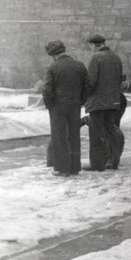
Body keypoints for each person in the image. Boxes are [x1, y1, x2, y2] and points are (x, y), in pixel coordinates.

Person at [42, 40, 90, 177]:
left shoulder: (52, 68)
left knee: (59, 137)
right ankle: (75, 167)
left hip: (58, 107)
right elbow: (88, 84)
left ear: (52, 55)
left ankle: (63, 169)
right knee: (74, 135)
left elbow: (46, 90)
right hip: (75, 105)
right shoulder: (79, 65)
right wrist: (81, 100)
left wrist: (50, 105)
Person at [84, 34, 125, 171]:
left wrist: (83, 95)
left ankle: (97, 164)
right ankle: (114, 161)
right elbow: (120, 79)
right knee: (111, 129)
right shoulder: (116, 57)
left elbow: (90, 81)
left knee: (96, 132)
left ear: (92, 45)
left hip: (97, 102)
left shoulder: (96, 57)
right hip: (113, 101)